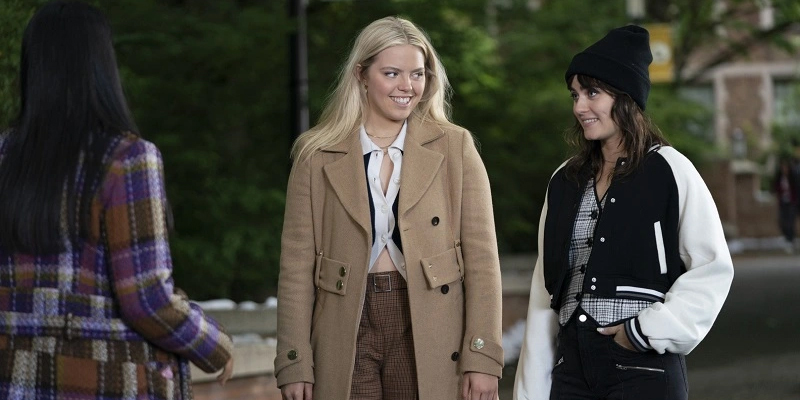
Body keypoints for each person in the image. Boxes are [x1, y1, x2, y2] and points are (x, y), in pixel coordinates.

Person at [0, 2, 233, 399]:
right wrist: (214, 346)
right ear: (101, 66)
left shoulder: (5, 156)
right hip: (103, 383)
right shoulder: (126, 160)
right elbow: (145, 298)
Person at [275, 16, 503, 400]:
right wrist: (294, 360)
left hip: (428, 320)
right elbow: (295, 267)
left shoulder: (455, 146)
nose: (407, 87)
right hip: (345, 322)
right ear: (361, 75)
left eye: (417, 74)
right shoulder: (316, 154)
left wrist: (482, 356)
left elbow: (483, 259)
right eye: (392, 73)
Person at [513, 25, 734, 400]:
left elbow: (712, 267)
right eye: (576, 94)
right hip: (570, 372)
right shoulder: (563, 181)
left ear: (626, 96)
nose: (579, 106)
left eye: (592, 93)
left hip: (642, 369)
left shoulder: (669, 169)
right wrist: (530, 389)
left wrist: (646, 331)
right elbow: (544, 290)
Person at [773, 156, 799, 253]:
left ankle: (791, 240)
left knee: (790, 222)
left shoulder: (793, 177)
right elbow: (776, 188)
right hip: (783, 202)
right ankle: (787, 238)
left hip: (792, 203)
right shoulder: (780, 178)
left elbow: (796, 189)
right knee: (782, 221)